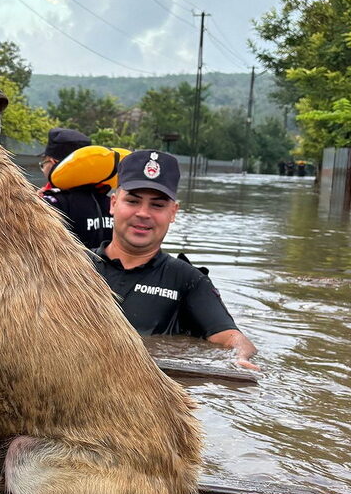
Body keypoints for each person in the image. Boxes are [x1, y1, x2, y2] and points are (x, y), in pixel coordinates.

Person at [89, 149, 260, 370]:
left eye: (157, 205)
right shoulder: (73, 265)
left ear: (173, 212)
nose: (143, 213)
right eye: (132, 201)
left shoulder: (187, 279)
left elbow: (231, 337)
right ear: (113, 204)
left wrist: (240, 357)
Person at [38, 128, 113, 248]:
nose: (43, 169)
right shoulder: (111, 202)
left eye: (43, 164)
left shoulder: (53, 203)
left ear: (52, 162)